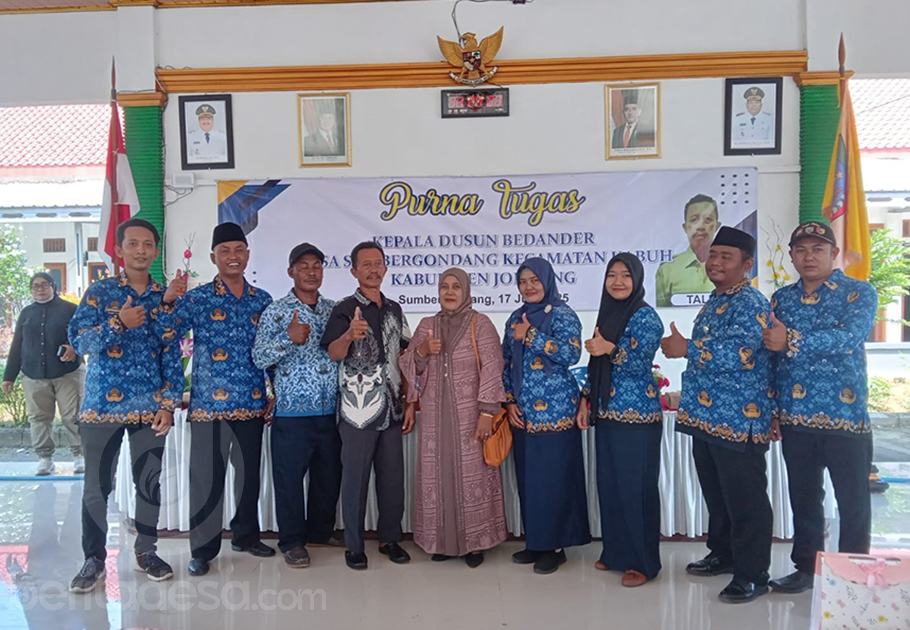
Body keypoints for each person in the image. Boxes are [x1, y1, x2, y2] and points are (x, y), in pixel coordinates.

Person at [67, 218, 182, 593]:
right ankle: (93, 559)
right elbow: (80, 342)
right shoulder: (99, 293)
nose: (141, 250)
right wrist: (119, 323)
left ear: (156, 250)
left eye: (148, 244)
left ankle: (147, 552)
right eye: (133, 244)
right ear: (119, 250)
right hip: (101, 407)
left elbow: (171, 352)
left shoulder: (164, 297)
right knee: (96, 488)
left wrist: (168, 403)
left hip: (150, 408)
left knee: (149, 484)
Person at [763, 221, 878, 594]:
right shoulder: (781, 299)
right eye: (801, 250)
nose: (808, 257)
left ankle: (853, 574)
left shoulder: (858, 293)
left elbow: (849, 337)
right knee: (805, 499)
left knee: (853, 502)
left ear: (834, 253)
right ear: (792, 256)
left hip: (846, 418)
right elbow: (773, 358)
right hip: (796, 417)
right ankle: (806, 569)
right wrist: (774, 409)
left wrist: (792, 339)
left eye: (817, 249)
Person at [660, 226, 773, 604]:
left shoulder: (751, 302)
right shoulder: (717, 299)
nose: (716, 262)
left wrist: (686, 348)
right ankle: (723, 554)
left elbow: (739, 354)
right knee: (718, 495)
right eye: (713, 255)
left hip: (739, 419)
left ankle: (753, 574)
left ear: (747, 264)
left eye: (727, 256)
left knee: (746, 500)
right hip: (706, 418)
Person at [156, 222, 274, 577]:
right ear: (213, 258)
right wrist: (168, 300)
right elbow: (166, 333)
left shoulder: (262, 300)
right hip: (208, 407)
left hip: (252, 403)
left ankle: (246, 535)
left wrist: (274, 392)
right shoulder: (198, 299)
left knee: (248, 478)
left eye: (238, 250)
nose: (232, 257)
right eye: (225, 251)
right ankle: (203, 550)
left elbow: (270, 353)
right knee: (206, 482)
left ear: (248, 255)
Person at [400, 268, 508, 568]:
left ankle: (475, 543)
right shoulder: (427, 325)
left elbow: (493, 366)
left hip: (470, 417)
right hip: (435, 420)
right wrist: (422, 351)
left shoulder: (480, 324)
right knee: (437, 476)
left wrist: (487, 412)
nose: (449, 292)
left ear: (466, 291)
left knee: (472, 475)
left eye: (456, 287)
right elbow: (407, 365)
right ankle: (440, 542)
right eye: (444, 286)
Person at [321, 241, 413, 570]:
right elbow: (333, 353)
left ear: (385, 268)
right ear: (354, 271)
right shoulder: (344, 309)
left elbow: (406, 355)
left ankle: (390, 540)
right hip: (357, 410)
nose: (373, 270)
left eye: (378, 263)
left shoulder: (395, 310)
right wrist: (349, 335)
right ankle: (354, 546)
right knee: (355, 480)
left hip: (391, 407)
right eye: (366, 265)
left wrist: (410, 400)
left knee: (392, 479)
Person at [252, 242, 344, 569]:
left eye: (316, 265)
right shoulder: (277, 311)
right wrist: (287, 338)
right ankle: (292, 542)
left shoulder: (335, 310)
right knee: (289, 481)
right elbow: (259, 357)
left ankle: (320, 532)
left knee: (327, 478)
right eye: (303, 266)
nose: (311, 272)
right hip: (291, 414)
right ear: (291, 272)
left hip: (330, 411)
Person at [576, 253, 664, 587]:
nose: (618, 282)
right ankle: (615, 553)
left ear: (637, 279)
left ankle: (643, 563)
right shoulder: (608, 313)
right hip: (607, 413)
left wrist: (609, 349)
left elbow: (640, 364)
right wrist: (586, 399)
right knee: (611, 487)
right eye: (612, 275)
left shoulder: (646, 316)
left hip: (637, 418)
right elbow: (596, 364)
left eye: (625, 275)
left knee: (635, 491)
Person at [503, 257, 590, 575]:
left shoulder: (563, 314)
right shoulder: (516, 317)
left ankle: (556, 547)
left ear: (547, 281)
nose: (529, 287)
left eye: (534, 281)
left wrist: (531, 336)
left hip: (557, 413)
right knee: (530, 481)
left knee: (555, 481)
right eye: (523, 282)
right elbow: (506, 362)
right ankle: (537, 541)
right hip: (524, 414)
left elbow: (571, 353)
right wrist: (509, 402)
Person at [3, 272, 84, 476]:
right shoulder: (26, 313)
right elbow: (17, 345)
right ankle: (45, 459)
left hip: (67, 373)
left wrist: (74, 348)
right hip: (34, 374)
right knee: (39, 418)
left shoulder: (70, 309)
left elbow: (84, 335)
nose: (40, 289)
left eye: (44, 285)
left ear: (53, 287)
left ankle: (79, 455)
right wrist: (9, 376)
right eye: (35, 286)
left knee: (73, 415)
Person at [655, 194, 722, 307]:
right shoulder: (667, 270)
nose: (700, 226)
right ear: (685, 227)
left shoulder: (728, 266)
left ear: (717, 226)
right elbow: (661, 312)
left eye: (708, 219)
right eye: (694, 220)